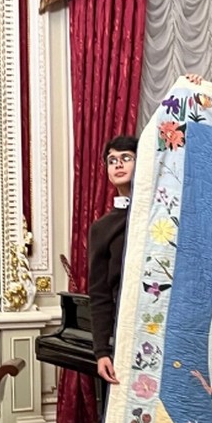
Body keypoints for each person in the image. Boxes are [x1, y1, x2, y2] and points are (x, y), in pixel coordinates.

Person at [88, 134, 139, 388]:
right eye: (112, 160)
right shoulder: (102, 228)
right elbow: (99, 293)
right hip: (125, 330)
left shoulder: (163, 216)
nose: (118, 164)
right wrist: (101, 352)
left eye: (126, 158)